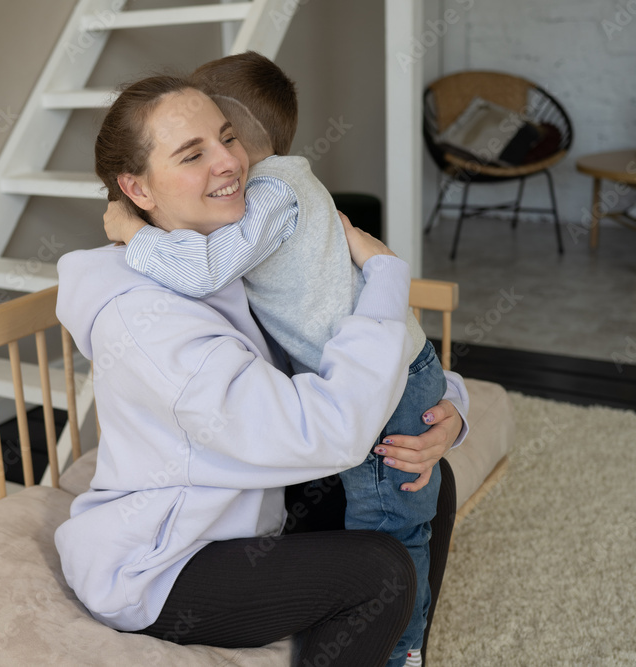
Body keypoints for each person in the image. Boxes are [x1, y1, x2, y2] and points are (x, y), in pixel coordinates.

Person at [55, 74, 469, 666]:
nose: (228, 162)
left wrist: (448, 412)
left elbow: (323, 346)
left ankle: (400, 658)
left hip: (247, 507)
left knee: (421, 476)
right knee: (380, 572)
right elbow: (328, 430)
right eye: (193, 154)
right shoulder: (148, 321)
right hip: (165, 563)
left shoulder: (234, 256)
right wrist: (386, 278)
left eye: (227, 138)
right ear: (136, 188)